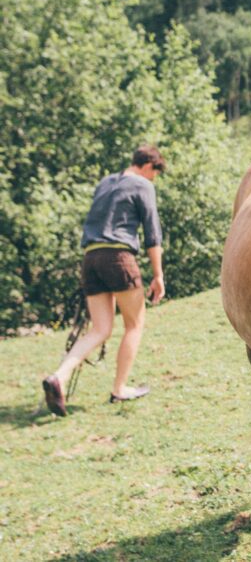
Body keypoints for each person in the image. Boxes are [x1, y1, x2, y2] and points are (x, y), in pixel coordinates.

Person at [42, 145, 167, 416]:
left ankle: (58, 377)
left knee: (99, 329)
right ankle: (119, 389)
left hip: (90, 257)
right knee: (134, 324)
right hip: (119, 256)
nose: (153, 179)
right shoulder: (143, 185)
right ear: (149, 166)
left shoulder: (106, 182)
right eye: (155, 173)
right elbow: (152, 234)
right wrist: (158, 275)